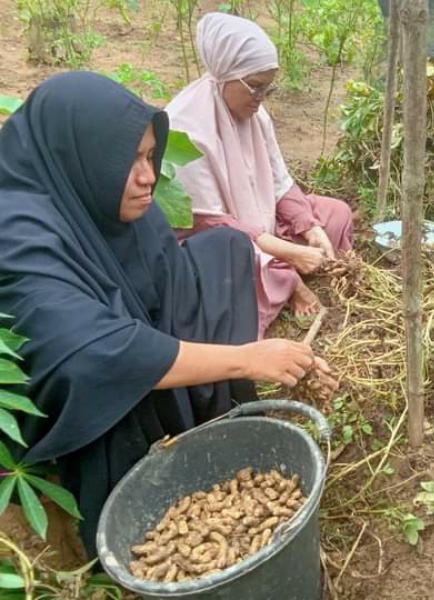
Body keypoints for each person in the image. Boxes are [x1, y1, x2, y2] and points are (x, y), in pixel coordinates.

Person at [0, 72, 337, 555]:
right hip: (79, 393)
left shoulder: (111, 203)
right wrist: (246, 358)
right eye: (129, 161)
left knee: (225, 249)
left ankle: (201, 415)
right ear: (77, 159)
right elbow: (93, 355)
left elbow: (164, 278)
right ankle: (131, 497)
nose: (149, 176)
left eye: (149, 156)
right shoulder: (17, 233)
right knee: (116, 386)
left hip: (122, 334)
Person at [166, 13, 354, 337]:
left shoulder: (255, 113)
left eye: (268, 88)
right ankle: (289, 281)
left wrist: (310, 229)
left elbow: (280, 181)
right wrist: (287, 251)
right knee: (234, 276)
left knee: (335, 214)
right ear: (226, 75)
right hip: (219, 244)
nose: (262, 98)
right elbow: (213, 225)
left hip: (260, 225)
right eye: (255, 88)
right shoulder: (186, 127)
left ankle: (284, 271)